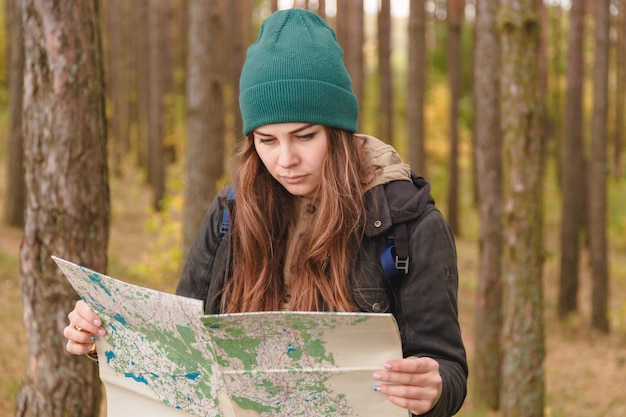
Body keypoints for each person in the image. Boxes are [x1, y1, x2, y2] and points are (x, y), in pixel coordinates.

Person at [64, 8, 467, 417]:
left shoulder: (407, 222)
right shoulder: (230, 213)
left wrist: (432, 388)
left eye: (304, 136)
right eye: (266, 140)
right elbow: (182, 348)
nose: (285, 159)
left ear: (338, 131)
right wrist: (107, 337)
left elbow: (447, 369)